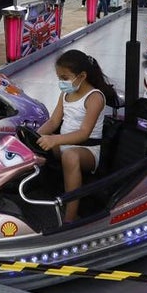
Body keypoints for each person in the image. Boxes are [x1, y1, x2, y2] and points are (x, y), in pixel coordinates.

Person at [36, 50, 115, 223]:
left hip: (87, 149)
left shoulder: (94, 97)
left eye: (64, 78)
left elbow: (84, 133)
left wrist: (54, 139)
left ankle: (70, 217)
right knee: (35, 148)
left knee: (70, 156)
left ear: (82, 76)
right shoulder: (66, 94)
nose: (61, 82)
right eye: (59, 78)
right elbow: (54, 121)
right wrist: (34, 135)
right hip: (65, 143)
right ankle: (33, 194)